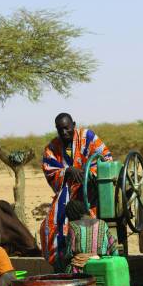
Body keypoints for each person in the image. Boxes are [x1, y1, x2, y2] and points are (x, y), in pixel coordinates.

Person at [40, 113, 112, 272]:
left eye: (67, 128)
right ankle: (60, 263)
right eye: (60, 130)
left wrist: (89, 173)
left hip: (91, 193)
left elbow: (106, 157)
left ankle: (89, 257)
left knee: (87, 223)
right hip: (67, 194)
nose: (64, 132)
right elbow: (49, 169)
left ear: (73, 124)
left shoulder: (88, 137)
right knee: (51, 225)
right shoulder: (52, 148)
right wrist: (68, 171)